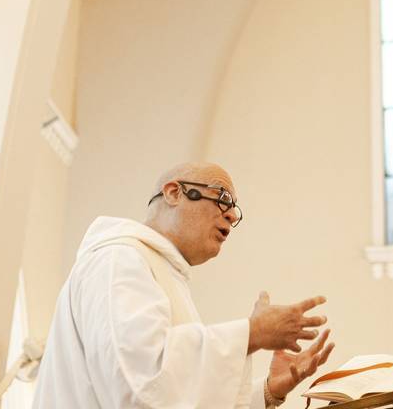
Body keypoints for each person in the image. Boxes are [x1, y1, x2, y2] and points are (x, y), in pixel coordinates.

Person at [34, 162, 334, 408]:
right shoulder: (119, 259)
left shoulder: (159, 271)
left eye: (234, 209)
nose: (230, 214)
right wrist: (251, 334)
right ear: (174, 192)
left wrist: (268, 392)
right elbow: (138, 387)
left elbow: (177, 396)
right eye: (222, 198)